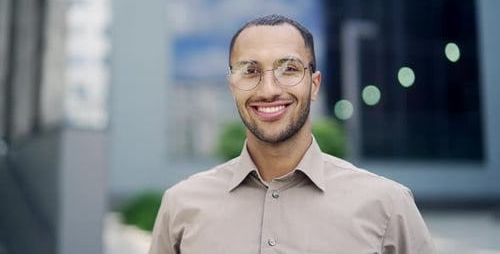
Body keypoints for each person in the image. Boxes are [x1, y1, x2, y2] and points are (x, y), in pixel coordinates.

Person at [149, 14, 436, 254]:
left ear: (314, 85)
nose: (269, 89)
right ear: (232, 86)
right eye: (250, 71)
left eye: (289, 69)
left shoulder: (388, 206)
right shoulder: (180, 205)